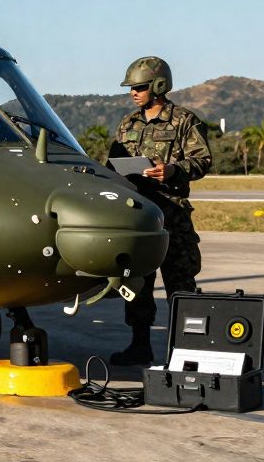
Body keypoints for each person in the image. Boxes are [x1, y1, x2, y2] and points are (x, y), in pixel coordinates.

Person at [106, 56, 213, 366]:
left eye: (139, 87)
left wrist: (172, 171)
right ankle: (140, 345)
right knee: (138, 284)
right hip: (139, 216)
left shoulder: (183, 120)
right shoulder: (128, 123)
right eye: (131, 88)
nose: (133, 93)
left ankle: (188, 353)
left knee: (181, 286)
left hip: (173, 215)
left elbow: (202, 160)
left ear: (158, 86)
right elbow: (112, 163)